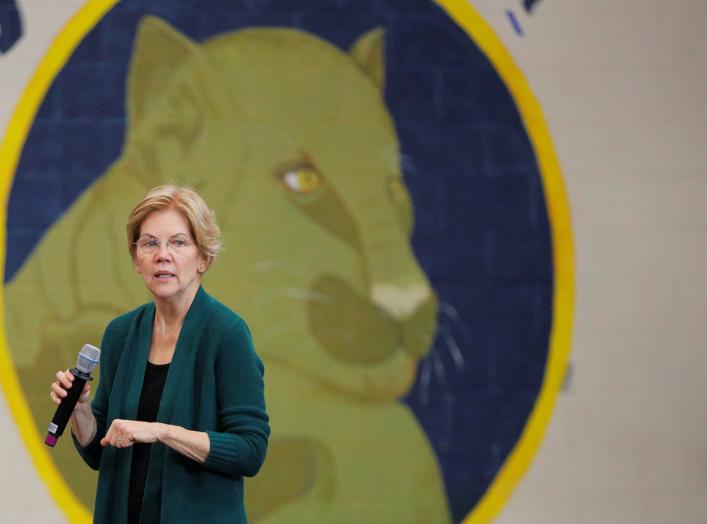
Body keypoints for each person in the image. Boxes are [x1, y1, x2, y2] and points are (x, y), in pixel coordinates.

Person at [49, 185, 270, 523]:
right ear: (136, 259)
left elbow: (250, 451)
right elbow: (100, 453)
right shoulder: (121, 334)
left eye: (178, 242)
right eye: (150, 243)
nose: (162, 255)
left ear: (203, 258)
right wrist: (80, 412)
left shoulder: (227, 334)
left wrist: (161, 432)